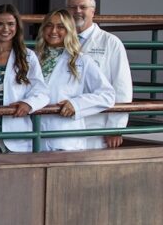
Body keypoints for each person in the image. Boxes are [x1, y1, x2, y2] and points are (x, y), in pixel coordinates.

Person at [35, 8, 115, 151]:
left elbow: (107, 95)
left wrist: (76, 105)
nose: (53, 31)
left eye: (60, 27)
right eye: (49, 25)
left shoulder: (81, 60)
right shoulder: (31, 58)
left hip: (64, 136)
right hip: (32, 134)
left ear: (69, 30)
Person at [66, 0, 133, 148]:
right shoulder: (60, 42)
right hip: (66, 123)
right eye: (73, 7)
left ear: (93, 12)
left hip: (97, 124)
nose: (77, 11)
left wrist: (115, 128)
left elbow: (121, 87)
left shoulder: (110, 42)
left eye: (83, 7)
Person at [0, 4, 48, 153]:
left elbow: (41, 91)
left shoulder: (27, 56)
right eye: (0, 24)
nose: (5, 29)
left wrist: (28, 104)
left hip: (15, 125)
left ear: (17, 27)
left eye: (10, 24)